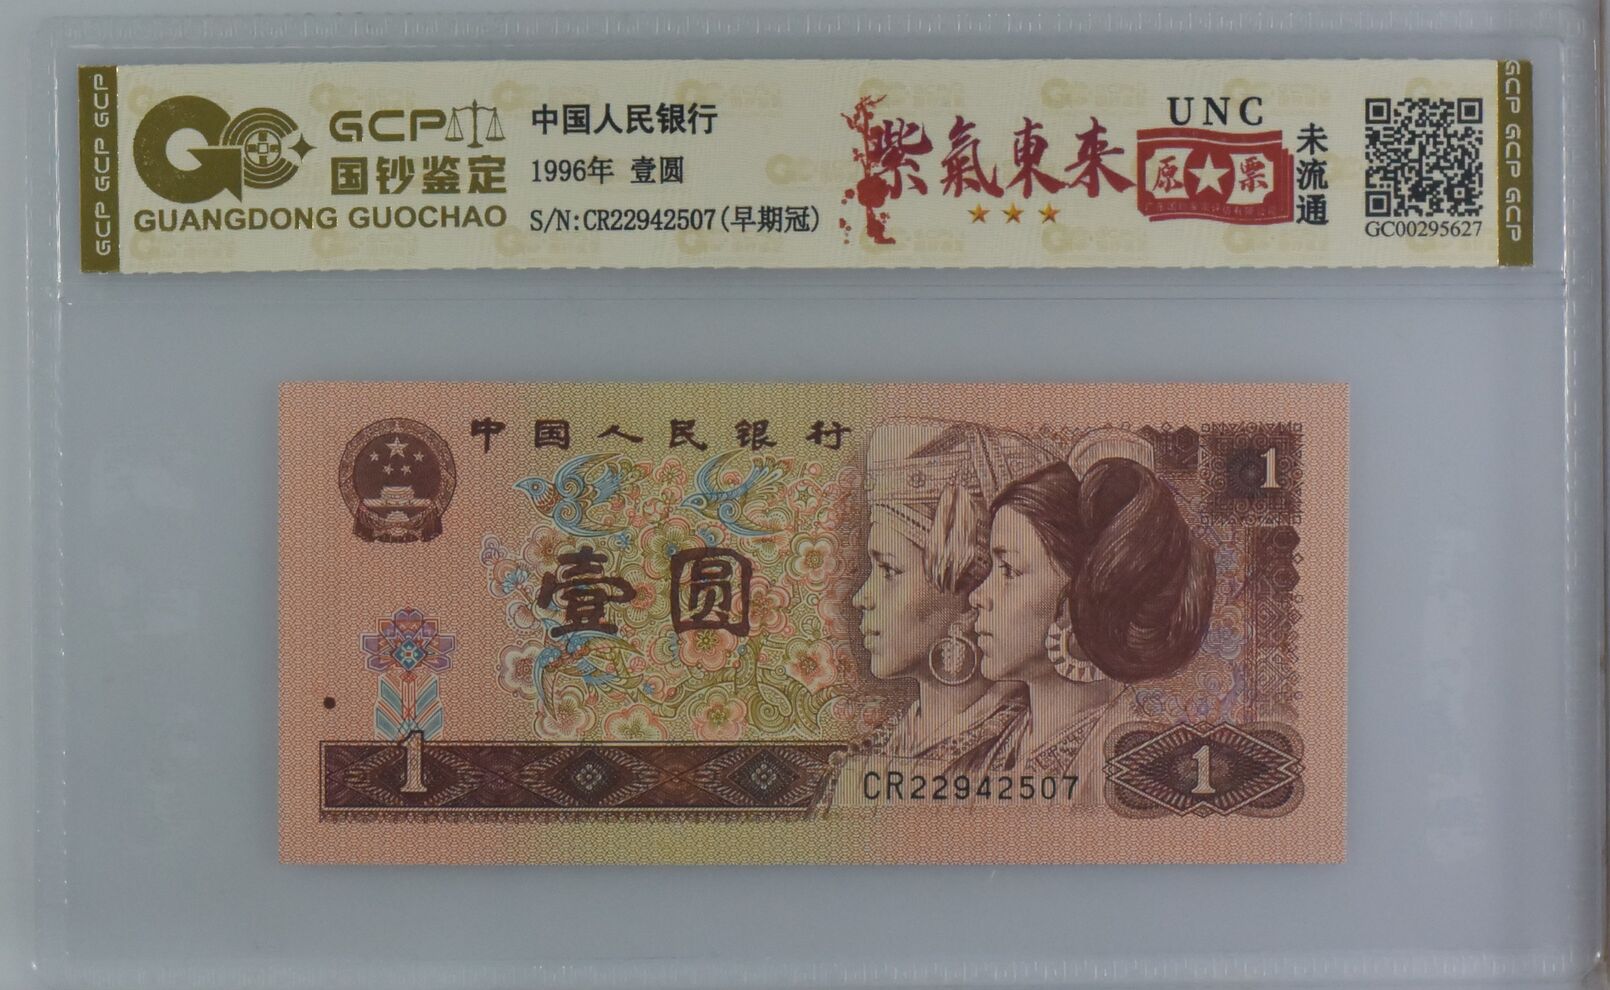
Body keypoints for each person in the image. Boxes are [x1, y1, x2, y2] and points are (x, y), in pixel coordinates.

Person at [970, 429, 1215, 794]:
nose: (978, 596)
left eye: (1009, 570)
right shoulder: (986, 753)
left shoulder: (1135, 770)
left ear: (1080, 595)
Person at [849, 418, 1058, 770]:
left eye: (889, 570)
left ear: (970, 586)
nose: (861, 597)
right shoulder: (881, 751)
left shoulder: (1025, 754)